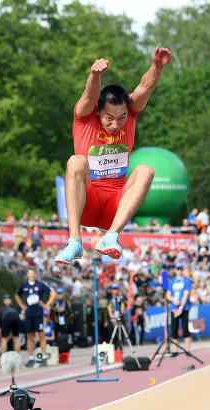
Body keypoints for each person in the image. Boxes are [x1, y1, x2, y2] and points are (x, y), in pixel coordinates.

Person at [55, 47, 172, 265]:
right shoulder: (84, 117)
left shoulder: (130, 115)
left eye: (121, 118)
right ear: (98, 111)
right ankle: (74, 241)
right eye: (109, 118)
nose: (116, 124)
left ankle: (111, 236)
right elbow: (90, 95)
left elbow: (144, 88)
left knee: (145, 170)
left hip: (114, 207)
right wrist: (95, 75)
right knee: (76, 161)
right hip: (87, 202)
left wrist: (157, 67)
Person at [15, 268, 56, 367]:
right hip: (29, 313)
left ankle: (44, 357)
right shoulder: (24, 285)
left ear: (35, 274)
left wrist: (46, 305)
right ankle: (30, 358)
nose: (31, 275)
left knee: (41, 334)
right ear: (27, 274)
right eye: (29, 273)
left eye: (33, 273)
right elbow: (17, 295)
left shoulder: (40, 284)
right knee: (29, 335)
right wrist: (22, 306)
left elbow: (52, 293)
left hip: (38, 313)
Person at [166, 263, 192, 357]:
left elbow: (186, 294)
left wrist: (181, 307)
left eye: (181, 269)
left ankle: (187, 350)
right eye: (178, 269)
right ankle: (175, 351)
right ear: (175, 270)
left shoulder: (187, 281)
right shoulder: (172, 281)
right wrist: (174, 300)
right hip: (174, 308)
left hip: (184, 308)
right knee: (174, 329)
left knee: (185, 328)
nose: (179, 271)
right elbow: (168, 295)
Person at [107, 284, 126, 351]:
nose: (115, 291)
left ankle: (120, 350)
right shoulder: (110, 299)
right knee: (113, 336)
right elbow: (109, 308)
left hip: (120, 318)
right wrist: (113, 318)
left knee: (121, 336)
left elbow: (123, 308)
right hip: (113, 319)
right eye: (114, 289)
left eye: (116, 289)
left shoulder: (121, 299)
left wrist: (119, 316)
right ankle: (114, 351)